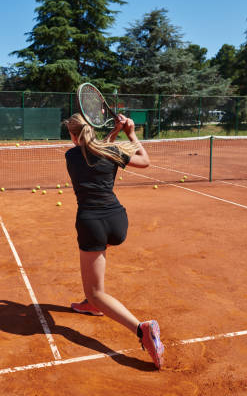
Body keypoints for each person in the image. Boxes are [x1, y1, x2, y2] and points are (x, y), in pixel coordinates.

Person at [64, 112, 164, 369]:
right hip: (118, 223)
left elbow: (92, 153)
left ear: (74, 136)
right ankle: (92, 305)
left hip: (92, 224)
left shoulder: (71, 156)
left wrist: (116, 134)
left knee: (96, 291)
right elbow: (144, 161)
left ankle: (142, 328)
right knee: (96, 266)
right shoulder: (112, 150)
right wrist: (129, 133)